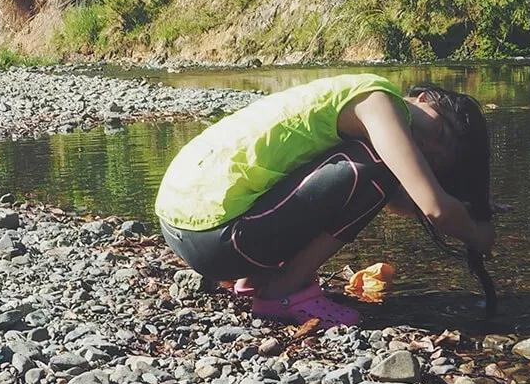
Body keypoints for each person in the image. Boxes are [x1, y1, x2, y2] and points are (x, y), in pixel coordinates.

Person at [154, 73, 495, 327]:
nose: (431, 148)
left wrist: (463, 207)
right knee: (376, 166)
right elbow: (433, 207)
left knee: (372, 169)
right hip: (218, 239)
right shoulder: (378, 103)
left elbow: (394, 202)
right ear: (422, 97)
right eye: (441, 133)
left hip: (182, 223)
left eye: (437, 158)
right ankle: (282, 292)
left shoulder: (350, 93)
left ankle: (254, 280)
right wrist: (480, 235)